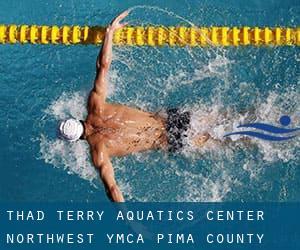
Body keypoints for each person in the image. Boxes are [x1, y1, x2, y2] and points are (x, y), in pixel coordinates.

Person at [58, 11, 210, 202]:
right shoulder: (95, 105)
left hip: (171, 140)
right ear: (76, 119)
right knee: (226, 118)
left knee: (228, 140)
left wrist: (131, 223)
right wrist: (109, 33)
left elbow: (112, 189)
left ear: (76, 140)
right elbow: (103, 66)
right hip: (172, 118)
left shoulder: (99, 152)